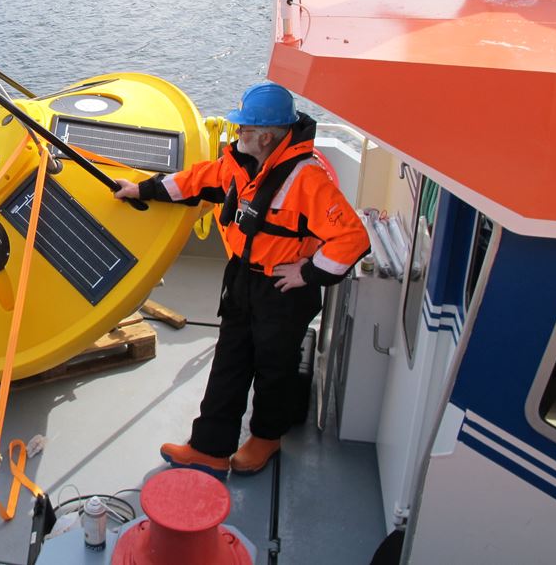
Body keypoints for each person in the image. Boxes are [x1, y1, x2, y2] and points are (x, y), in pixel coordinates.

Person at [114, 82, 369, 478]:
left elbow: (352, 238)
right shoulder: (236, 162)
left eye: (245, 129)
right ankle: (209, 448)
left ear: (266, 137)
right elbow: (195, 181)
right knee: (230, 361)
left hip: (283, 292)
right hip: (241, 281)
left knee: (274, 368)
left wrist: (306, 272)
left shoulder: (308, 179)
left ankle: (266, 438)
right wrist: (141, 189)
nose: (237, 134)